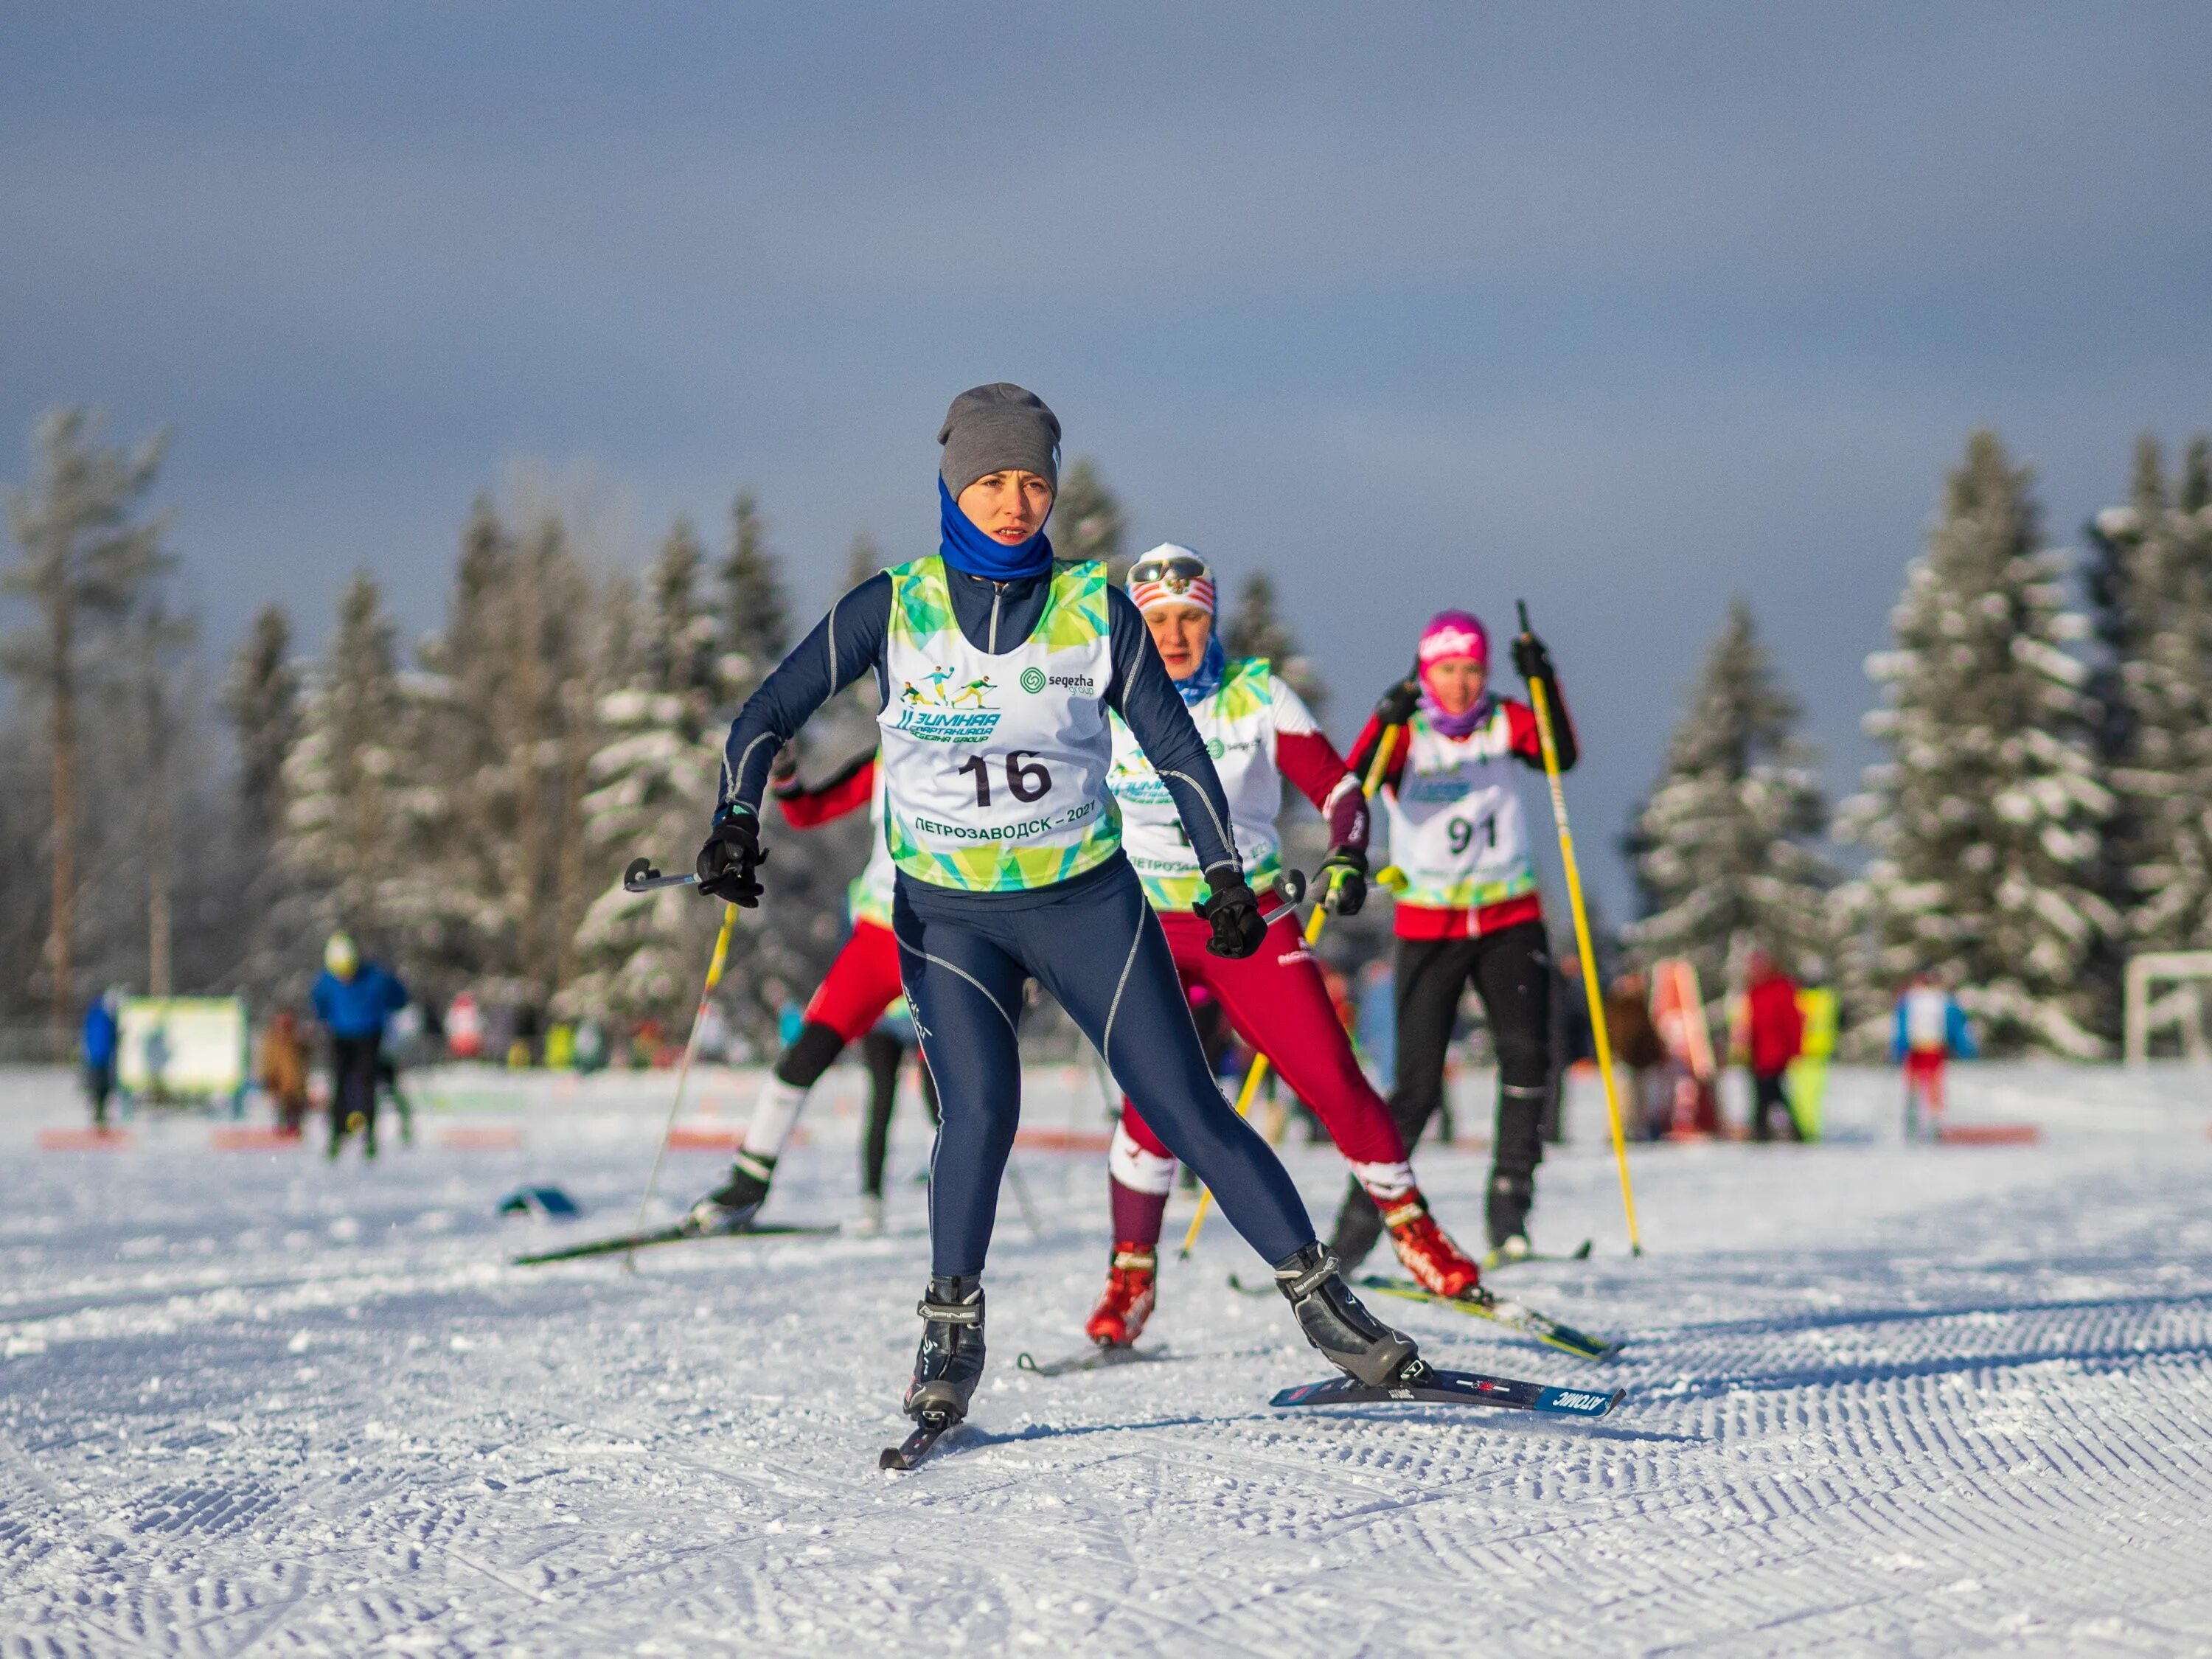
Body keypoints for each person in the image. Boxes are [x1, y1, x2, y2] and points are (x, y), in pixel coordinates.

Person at [685, 383, 1422, 1432]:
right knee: (981, 1112)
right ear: (954, 487)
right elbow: (767, 710)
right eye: (992, 481)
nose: (1014, 502)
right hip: (951, 916)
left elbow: (1175, 748)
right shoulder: (893, 607)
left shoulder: (1092, 608)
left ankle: (1325, 1304)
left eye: (1033, 481)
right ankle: (949, 1327)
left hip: (1086, 901)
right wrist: (735, 818)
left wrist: (1222, 877)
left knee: (1183, 1102)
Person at [1084, 544, 1483, 1349]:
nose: (1173, 637)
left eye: (1190, 619)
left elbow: (1339, 789)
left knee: (1332, 1077)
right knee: (1154, 1103)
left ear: (1212, 620)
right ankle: (1131, 1276)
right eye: (1156, 622)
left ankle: (1413, 1230)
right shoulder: (1098, 698)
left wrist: (1345, 851)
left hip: (1247, 917)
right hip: (1143, 923)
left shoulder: (1255, 695)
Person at [1330, 608, 1576, 1265]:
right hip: (1429, 924)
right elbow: (1354, 785)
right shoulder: (1408, 730)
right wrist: (1383, 717)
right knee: (1416, 1087)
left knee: (1527, 1058)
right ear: (1426, 671)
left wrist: (1543, 683)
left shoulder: (1505, 718)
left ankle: (1509, 1214)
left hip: (1507, 916)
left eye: (1471, 669)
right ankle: (1354, 1234)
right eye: (1447, 670)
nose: (1461, 684)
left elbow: (1561, 754)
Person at [310, 932, 408, 1161]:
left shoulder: (375, 977)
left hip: (369, 1036)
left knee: (367, 1085)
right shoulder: (326, 981)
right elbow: (319, 1004)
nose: (345, 977)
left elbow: (398, 997)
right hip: (340, 1037)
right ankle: (337, 1135)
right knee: (340, 1085)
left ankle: (369, 1136)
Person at [857, 998, 940, 1233]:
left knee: (938, 1104)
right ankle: (872, 1199)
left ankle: (950, 1191)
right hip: (882, 1020)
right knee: (882, 1102)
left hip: (924, 1014)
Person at [1893, 971, 1975, 1140]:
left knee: (1916, 1086)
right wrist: (1964, 1048)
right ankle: (1932, 1120)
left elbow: (1902, 1026)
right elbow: (1956, 1026)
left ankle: (1916, 1120)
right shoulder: (1943, 1000)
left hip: (1917, 1048)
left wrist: (1898, 1049)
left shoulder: (1910, 999)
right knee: (1934, 1086)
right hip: (1933, 1048)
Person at [1742, 950, 1804, 1141]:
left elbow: (1793, 1021)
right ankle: (1764, 1132)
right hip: (1757, 1053)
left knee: (1770, 1093)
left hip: (1776, 1052)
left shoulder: (1781, 988)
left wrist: (1794, 1049)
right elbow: (1751, 1024)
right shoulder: (1754, 991)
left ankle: (1766, 1132)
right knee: (1765, 1094)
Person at [1603, 971, 1670, 1141]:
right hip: (1624, 1057)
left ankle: (1641, 1130)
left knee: (1643, 1100)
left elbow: (1647, 1032)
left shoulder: (1641, 1005)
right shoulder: (1618, 1005)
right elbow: (1615, 1032)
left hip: (1642, 1059)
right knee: (1624, 1099)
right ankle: (1620, 1131)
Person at [259, 1008, 311, 1135]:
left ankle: (293, 1128)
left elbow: (305, 1057)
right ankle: (283, 1129)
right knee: (282, 1106)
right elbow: (268, 1061)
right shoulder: (272, 1040)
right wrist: (268, 1077)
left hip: (294, 1083)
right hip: (279, 1082)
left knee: (294, 1107)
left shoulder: (296, 1039)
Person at [82, 988, 121, 1128]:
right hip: (101, 1057)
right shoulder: (105, 1018)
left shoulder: (93, 1017)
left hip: (96, 1057)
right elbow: (111, 1037)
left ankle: (100, 1114)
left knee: (100, 1087)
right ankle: (99, 1114)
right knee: (101, 1087)